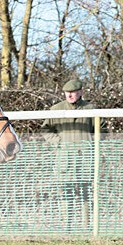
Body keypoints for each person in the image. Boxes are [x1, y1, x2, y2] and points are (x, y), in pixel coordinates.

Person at [40, 78, 95, 230]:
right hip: (64, 159)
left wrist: (91, 144)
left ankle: (87, 226)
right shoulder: (56, 109)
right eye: (67, 93)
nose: (70, 95)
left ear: (81, 92)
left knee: (86, 191)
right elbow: (45, 130)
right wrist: (58, 142)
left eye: (73, 92)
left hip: (85, 157)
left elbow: (101, 131)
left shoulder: (90, 109)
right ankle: (67, 226)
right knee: (66, 191)